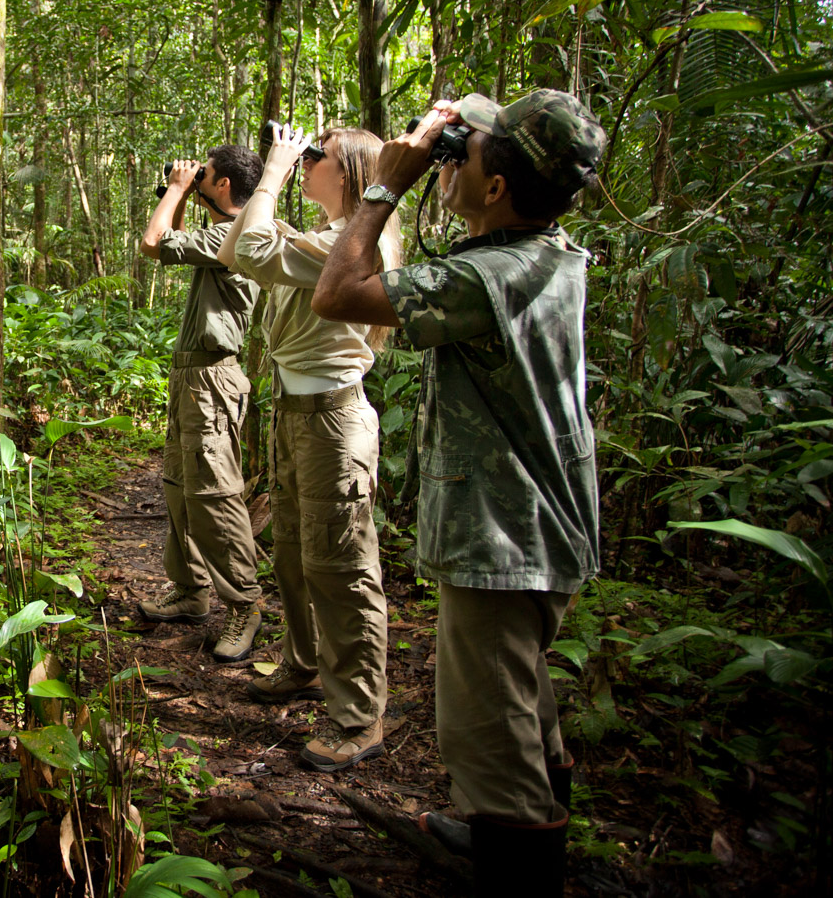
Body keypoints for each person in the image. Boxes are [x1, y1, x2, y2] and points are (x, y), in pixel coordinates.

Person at [309, 90, 604, 897]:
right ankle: (505, 828)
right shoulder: (550, 253)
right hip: (542, 522)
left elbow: (336, 296)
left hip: (505, 533)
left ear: (502, 188)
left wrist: (383, 188)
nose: (451, 160)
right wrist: (459, 145)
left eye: (467, 155)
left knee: (489, 726)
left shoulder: (489, 278)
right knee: (522, 692)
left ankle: (512, 852)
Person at [215, 126, 402, 772]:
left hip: (332, 422)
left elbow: (257, 247)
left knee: (342, 566)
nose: (305, 160)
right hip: (296, 413)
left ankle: (359, 715)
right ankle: (304, 663)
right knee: (292, 550)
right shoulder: (326, 235)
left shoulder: (347, 241)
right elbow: (241, 248)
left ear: (347, 170)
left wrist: (271, 168)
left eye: (315, 154)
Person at [136, 146, 265, 664]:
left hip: (212, 378)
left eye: (204, 174)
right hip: (192, 375)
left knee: (213, 490)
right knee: (179, 485)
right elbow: (173, 242)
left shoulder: (236, 235)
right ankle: (190, 590)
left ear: (226, 186)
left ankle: (244, 602)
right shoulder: (222, 230)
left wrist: (175, 189)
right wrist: (188, 192)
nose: (193, 177)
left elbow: (154, 242)